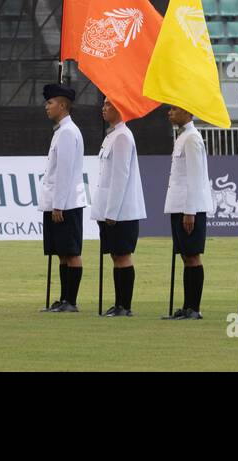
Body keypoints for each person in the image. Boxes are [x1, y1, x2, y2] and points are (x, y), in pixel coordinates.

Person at [92, 96, 145, 317]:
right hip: (109, 209)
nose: (103, 108)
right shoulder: (112, 136)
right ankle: (119, 303)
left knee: (122, 255)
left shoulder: (123, 136)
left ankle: (125, 305)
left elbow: (120, 176)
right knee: (115, 256)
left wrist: (112, 211)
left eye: (108, 105)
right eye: (104, 104)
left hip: (121, 211)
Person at [163, 105, 212, 320]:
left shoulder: (192, 138)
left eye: (174, 109)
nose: (169, 112)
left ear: (187, 112)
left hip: (189, 207)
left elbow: (195, 175)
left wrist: (190, 211)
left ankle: (194, 307)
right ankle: (187, 305)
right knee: (185, 256)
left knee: (192, 256)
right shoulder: (182, 137)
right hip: (179, 205)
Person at [40, 82, 85, 312]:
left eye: (50, 103)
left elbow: (65, 172)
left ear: (63, 105)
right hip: (58, 203)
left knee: (71, 251)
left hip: (66, 203)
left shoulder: (68, 132)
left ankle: (71, 300)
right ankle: (64, 298)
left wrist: (58, 205)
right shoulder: (60, 132)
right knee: (61, 252)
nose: (46, 107)